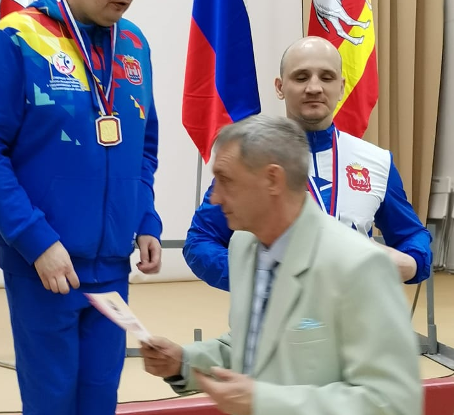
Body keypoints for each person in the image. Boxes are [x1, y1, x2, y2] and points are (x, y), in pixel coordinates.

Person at [0, 0, 162, 415]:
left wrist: (145, 218)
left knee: (100, 402)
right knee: (51, 405)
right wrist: (36, 242)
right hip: (45, 268)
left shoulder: (134, 44)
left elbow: (144, 147)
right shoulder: (18, 38)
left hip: (112, 269)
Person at [142, 115, 422, 415]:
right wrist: (183, 362)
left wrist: (265, 401)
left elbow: (392, 401)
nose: (216, 198)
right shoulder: (244, 246)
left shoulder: (359, 266)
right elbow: (252, 346)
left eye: (226, 181)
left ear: (273, 180)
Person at [184, 36, 432, 291]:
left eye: (326, 77)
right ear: (280, 87)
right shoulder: (247, 157)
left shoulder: (376, 161)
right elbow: (200, 241)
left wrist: (412, 263)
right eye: (301, 77)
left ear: (341, 87)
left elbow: (411, 235)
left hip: (354, 309)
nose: (314, 88)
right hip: (275, 313)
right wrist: (259, 278)